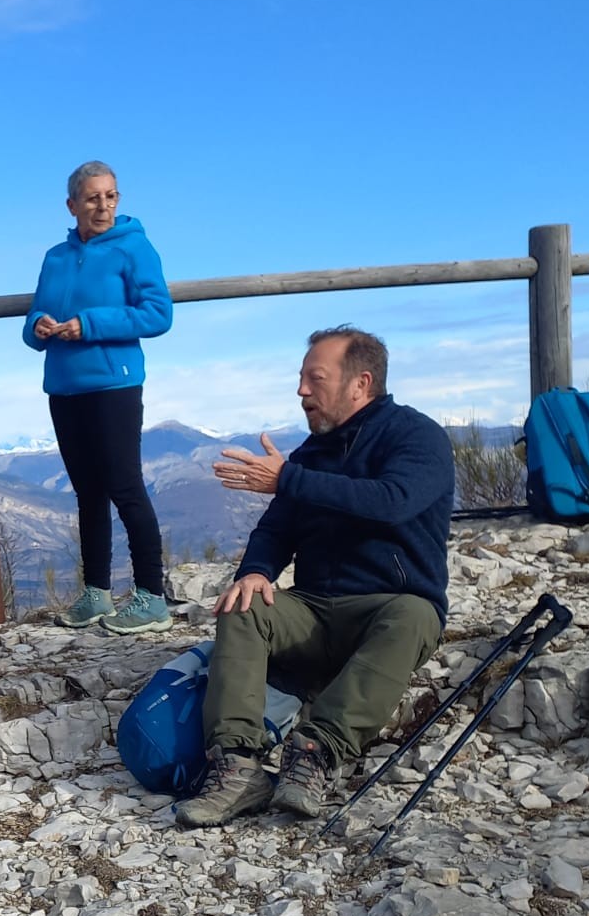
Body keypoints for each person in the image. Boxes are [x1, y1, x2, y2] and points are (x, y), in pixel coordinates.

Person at [175, 325, 454, 828]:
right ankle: (237, 768)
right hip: (314, 610)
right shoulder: (311, 453)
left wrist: (287, 478)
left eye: (314, 378)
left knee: (414, 615)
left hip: (387, 607)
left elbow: (393, 503)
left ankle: (316, 753)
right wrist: (256, 571)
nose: (302, 390)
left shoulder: (417, 436)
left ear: (360, 383)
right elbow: (276, 528)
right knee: (244, 605)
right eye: (301, 379)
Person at [23, 161, 174, 635]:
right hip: (64, 387)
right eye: (92, 198)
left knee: (125, 486)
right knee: (87, 493)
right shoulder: (55, 257)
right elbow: (33, 322)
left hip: (114, 384)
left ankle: (151, 594)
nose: (103, 206)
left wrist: (88, 325)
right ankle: (97, 593)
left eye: (110, 196)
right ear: (72, 205)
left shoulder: (134, 247)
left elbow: (157, 314)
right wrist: (40, 327)